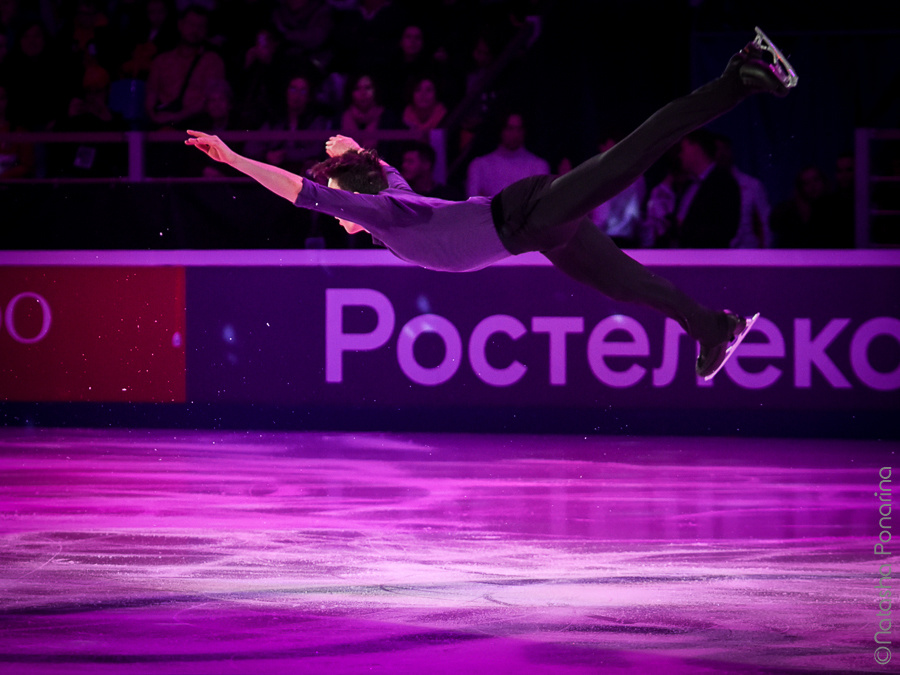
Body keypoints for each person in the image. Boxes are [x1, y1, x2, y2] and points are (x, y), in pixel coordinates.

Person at [186, 31, 797, 380]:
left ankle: (740, 72)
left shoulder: (383, 212)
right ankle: (714, 327)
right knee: (625, 284)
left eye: (343, 202)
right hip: (534, 232)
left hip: (528, 214)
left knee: (637, 151)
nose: (339, 215)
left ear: (357, 197)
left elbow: (300, 191)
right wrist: (351, 151)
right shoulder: (393, 196)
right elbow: (376, 168)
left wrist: (234, 158)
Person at [144, 4, 225, 130]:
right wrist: (155, 117)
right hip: (163, 123)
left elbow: (211, 99)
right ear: (180, 25)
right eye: (191, 24)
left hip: (199, 124)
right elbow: (151, 94)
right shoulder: (161, 60)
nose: (195, 30)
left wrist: (176, 117)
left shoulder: (213, 61)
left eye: (201, 26)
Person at [465, 112, 549, 197]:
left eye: (519, 129)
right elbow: (474, 200)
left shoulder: (538, 165)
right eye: (510, 129)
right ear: (501, 131)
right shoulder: (479, 165)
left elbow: (540, 201)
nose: (515, 134)